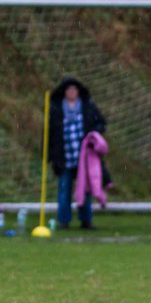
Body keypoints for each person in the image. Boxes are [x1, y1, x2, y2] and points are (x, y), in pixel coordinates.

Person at [47, 77, 106, 230]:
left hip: (84, 159)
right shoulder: (56, 108)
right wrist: (49, 154)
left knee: (85, 190)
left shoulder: (87, 107)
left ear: (78, 92)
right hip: (65, 157)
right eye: (68, 90)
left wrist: (94, 135)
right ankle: (64, 221)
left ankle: (86, 220)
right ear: (64, 92)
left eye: (74, 90)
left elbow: (100, 122)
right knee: (64, 189)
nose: (71, 92)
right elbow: (49, 133)